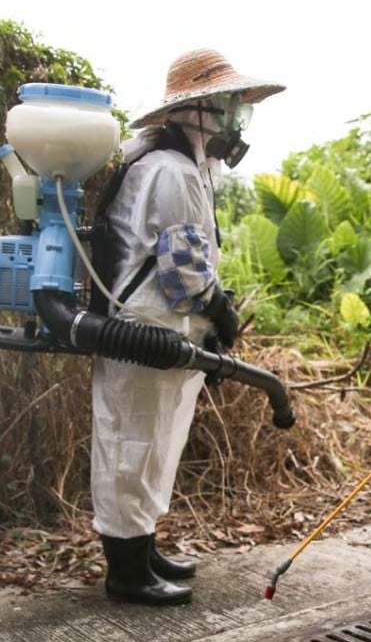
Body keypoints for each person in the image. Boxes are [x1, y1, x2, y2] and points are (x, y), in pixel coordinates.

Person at [91, 48, 284, 605]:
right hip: (145, 332)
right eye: (225, 105)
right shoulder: (170, 171)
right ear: (195, 109)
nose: (234, 118)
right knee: (132, 446)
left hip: (170, 334)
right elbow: (182, 270)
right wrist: (219, 308)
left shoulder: (181, 163)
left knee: (155, 446)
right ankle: (125, 572)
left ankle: (143, 548)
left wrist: (211, 322)